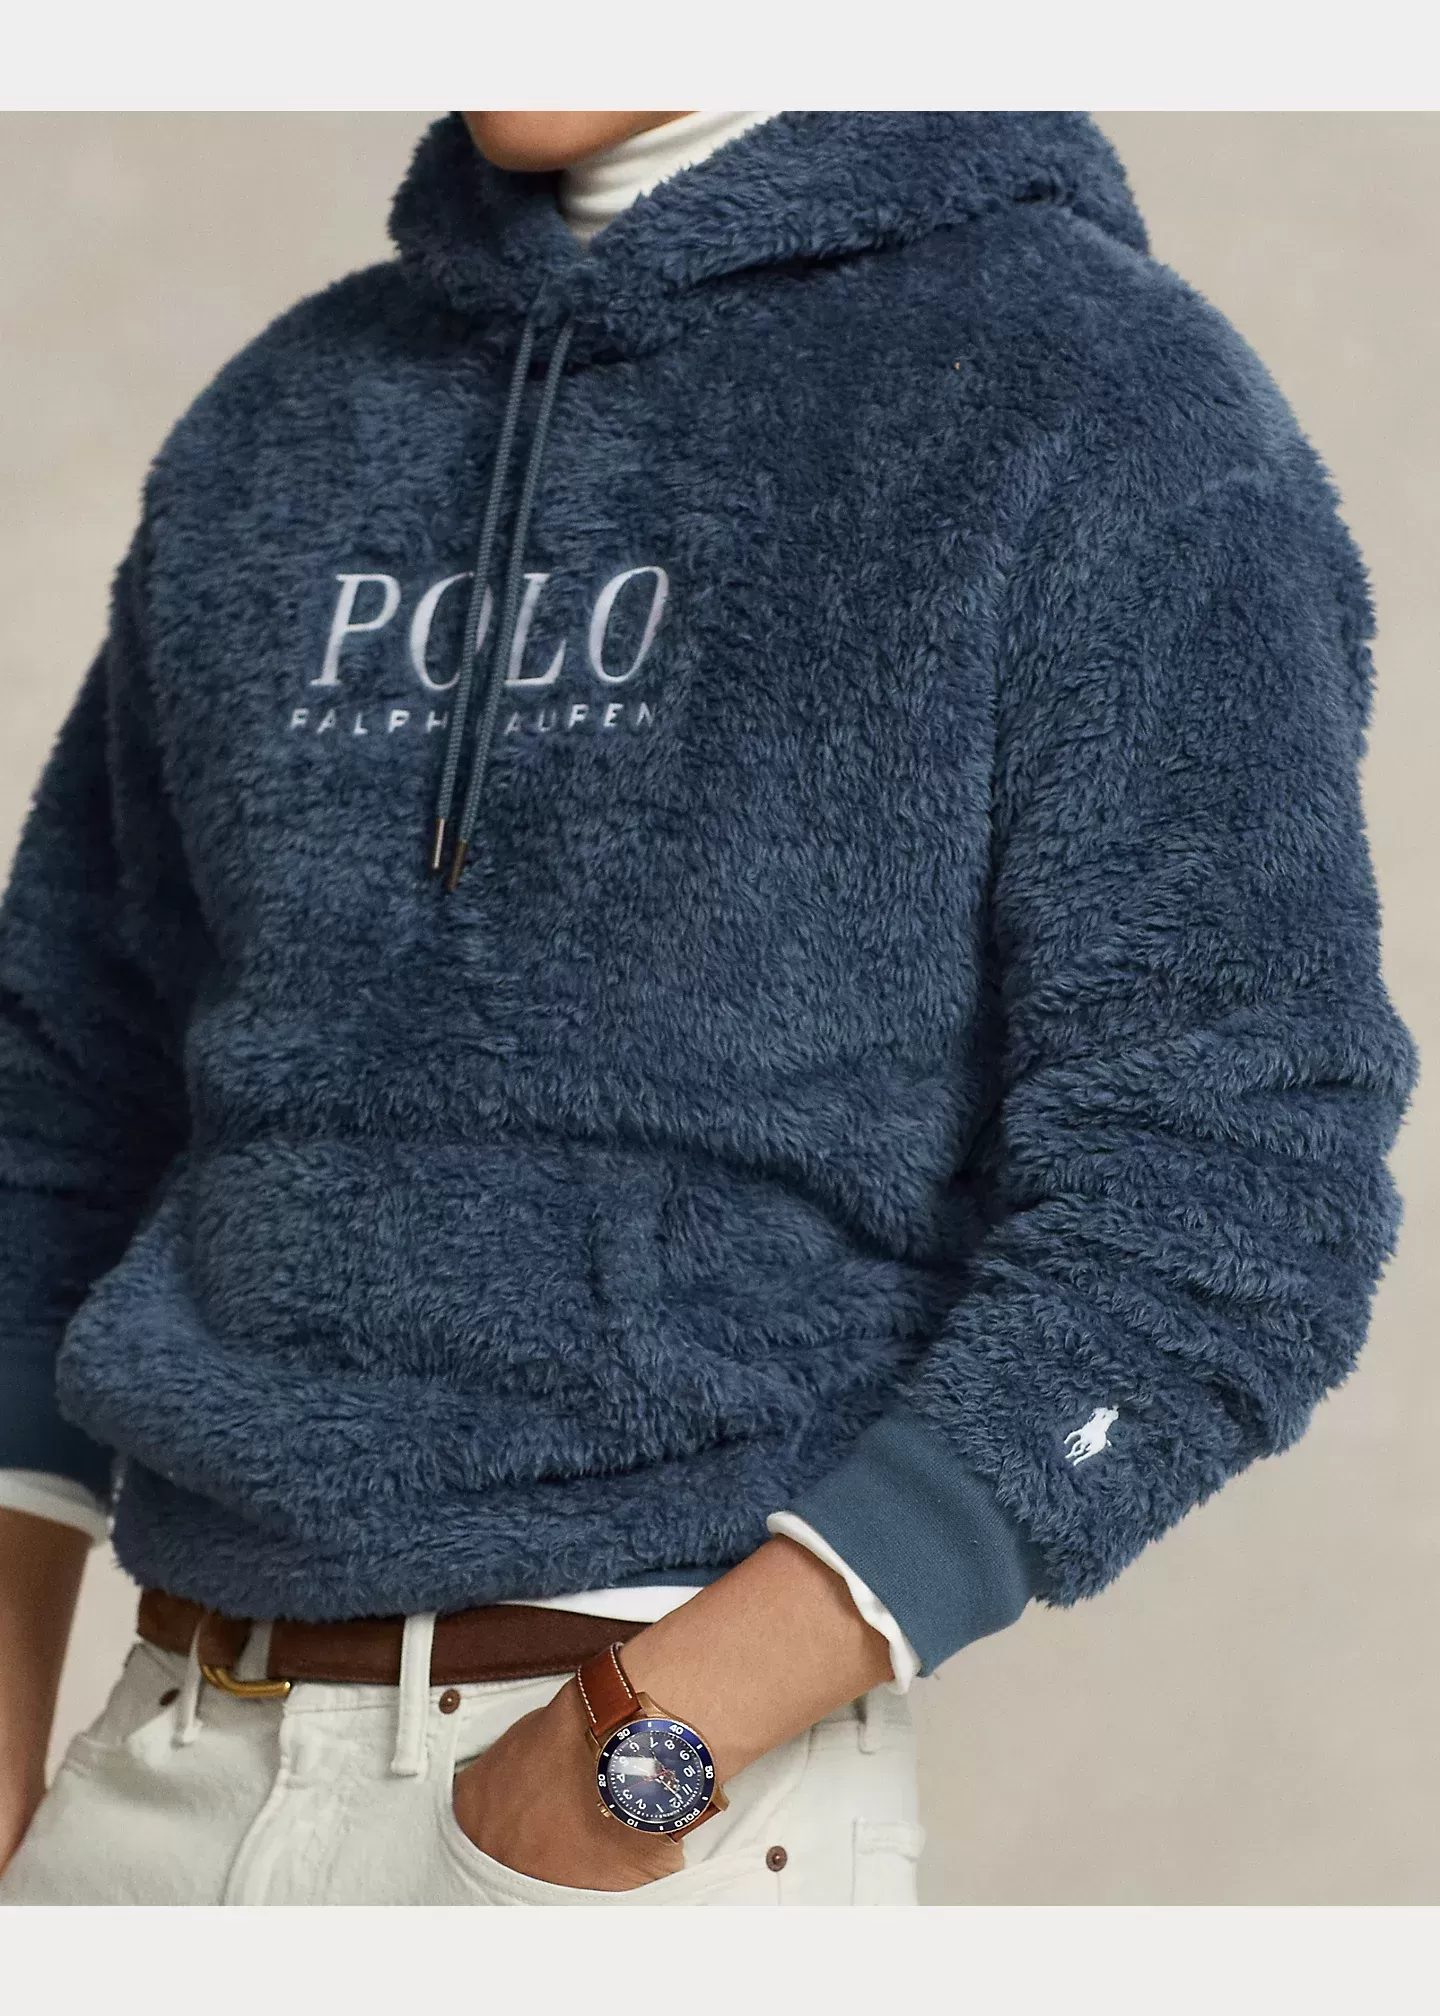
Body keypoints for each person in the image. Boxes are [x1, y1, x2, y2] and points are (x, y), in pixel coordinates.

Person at [0, 108, 1415, 1907]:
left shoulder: (1102, 401)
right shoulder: (293, 409)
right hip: (155, 1775)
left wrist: (646, 1743)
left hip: (637, 1804)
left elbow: (1237, 1193)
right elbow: (61, 1097)